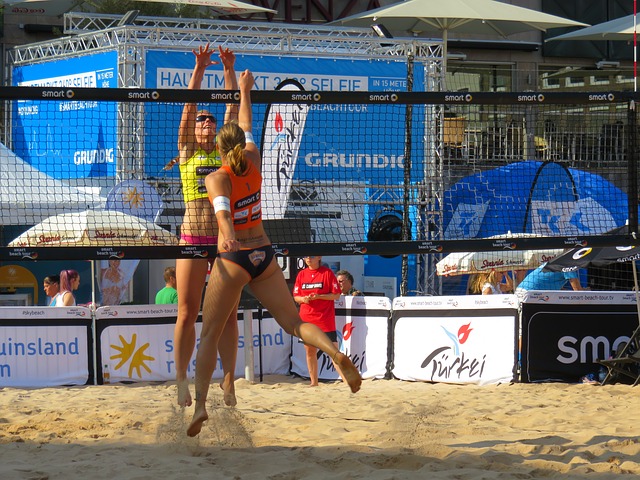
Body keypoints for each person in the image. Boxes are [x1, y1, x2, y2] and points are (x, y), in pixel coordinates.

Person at [187, 69, 361, 437]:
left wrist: (228, 237)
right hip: (264, 255)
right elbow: (247, 123)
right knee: (295, 323)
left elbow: (222, 212)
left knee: (210, 334)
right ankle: (333, 353)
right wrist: (245, 90)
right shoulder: (252, 157)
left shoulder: (216, 177)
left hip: (234, 258)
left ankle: (200, 405)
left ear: (219, 148)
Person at [166, 43, 241, 408]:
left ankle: (228, 381)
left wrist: (228, 69)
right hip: (192, 236)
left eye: (210, 120)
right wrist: (198, 70)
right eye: (202, 120)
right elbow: (188, 107)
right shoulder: (187, 151)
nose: (206, 122)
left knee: (227, 316)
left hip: (223, 240)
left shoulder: (224, 152)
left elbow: (232, 109)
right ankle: (181, 379)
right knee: (186, 312)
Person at [294, 256, 345, 387]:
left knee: (334, 352)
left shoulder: (327, 273)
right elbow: (296, 296)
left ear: (319, 258)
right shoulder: (301, 274)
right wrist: (303, 299)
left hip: (324, 319)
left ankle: (347, 381)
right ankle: (314, 382)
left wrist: (319, 296)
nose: (308, 259)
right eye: (306, 256)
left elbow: (336, 295)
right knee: (310, 351)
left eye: (311, 256)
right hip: (307, 318)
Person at [516, 263, 585, 292]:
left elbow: (558, 289)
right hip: (530, 294)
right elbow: (578, 292)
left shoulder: (554, 262)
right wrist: (587, 292)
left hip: (520, 290)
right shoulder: (569, 265)